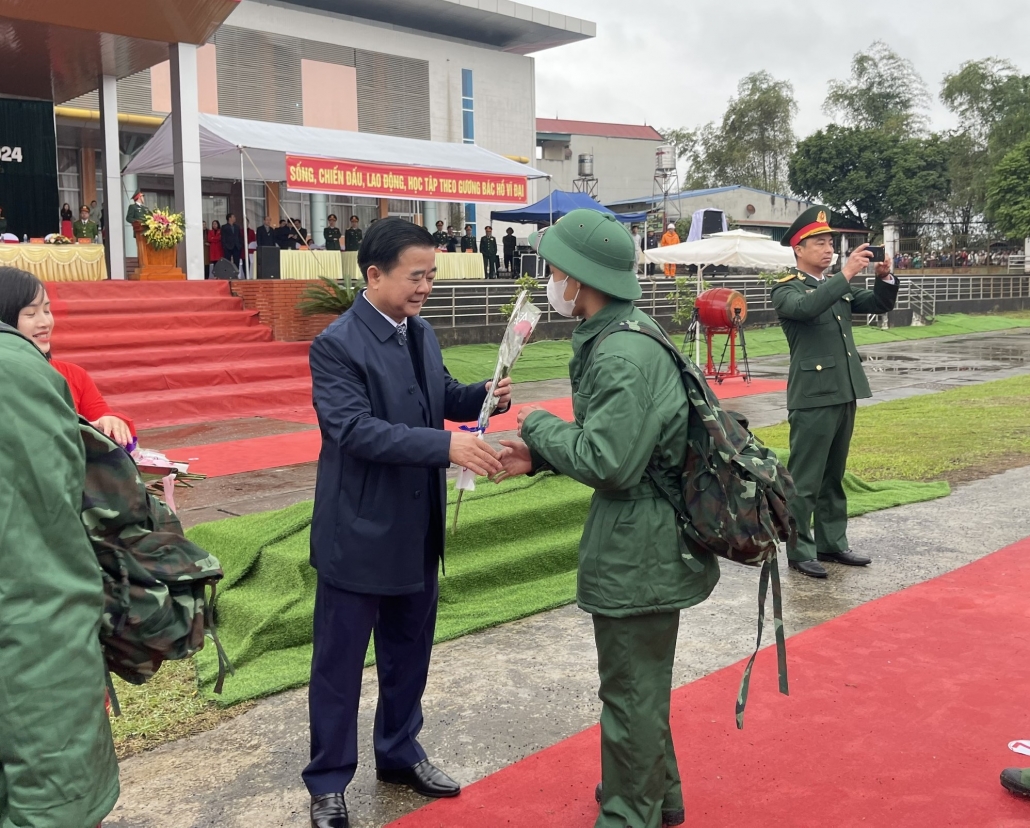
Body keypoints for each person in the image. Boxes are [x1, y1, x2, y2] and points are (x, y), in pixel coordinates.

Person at [494, 210, 718, 828]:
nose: (550, 284)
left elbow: (611, 460)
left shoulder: (622, 353)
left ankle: (628, 815)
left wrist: (538, 425)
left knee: (630, 692)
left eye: (554, 272)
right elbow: (623, 448)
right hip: (641, 535)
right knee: (639, 686)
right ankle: (658, 797)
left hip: (640, 543)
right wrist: (539, 457)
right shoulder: (624, 334)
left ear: (578, 277)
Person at [304, 217, 511, 828]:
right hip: (358, 532)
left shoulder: (418, 332)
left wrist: (482, 396)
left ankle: (398, 753)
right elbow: (354, 430)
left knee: (408, 654)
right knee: (339, 667)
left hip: (415, 527)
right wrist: (445, 448)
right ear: (374, 274)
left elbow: (438, 394)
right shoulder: (337, 345)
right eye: (415, 275)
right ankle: (327, 782)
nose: (425, 287)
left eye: (431, 275)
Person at [0, 319, 120, 828]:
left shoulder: (40, 371)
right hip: (37, 623)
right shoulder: (23, 370)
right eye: (32, 310)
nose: (44, 320)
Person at [771, 206, 899, 579]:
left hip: (843, 391)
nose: (828, 249)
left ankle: (832, 543)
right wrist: (845, 273)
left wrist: (883, 278)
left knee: (833, 476)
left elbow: (877, 304)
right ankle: (799, 550)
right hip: (812, 396)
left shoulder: (834, 287)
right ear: (798, 248)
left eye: (830, 243)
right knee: (806, 479)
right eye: (819, 243)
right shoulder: (787, 288)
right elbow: (808, 308)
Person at [0, 268, 136, 447]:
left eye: (47, 311)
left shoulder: (73, 375)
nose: (45, 323)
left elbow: (103, 419)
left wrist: (111, 423)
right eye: (30, 314)